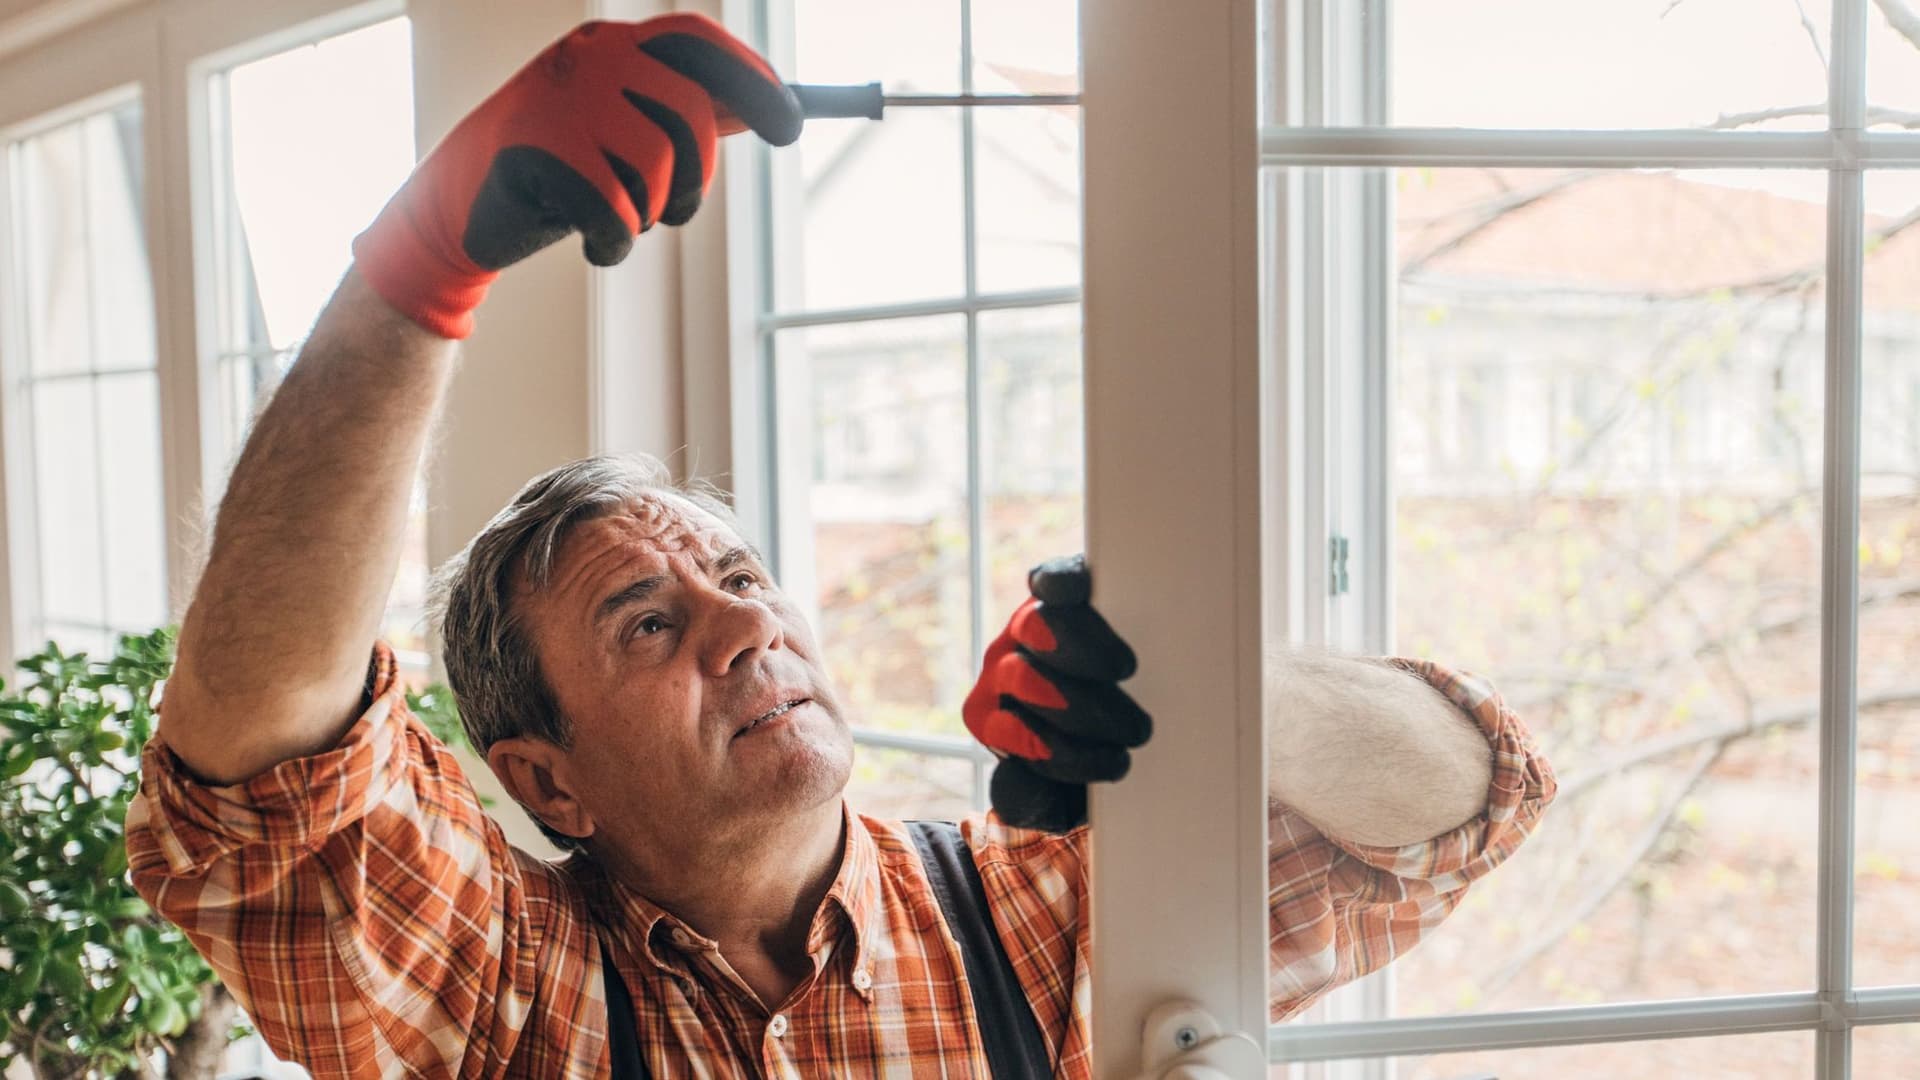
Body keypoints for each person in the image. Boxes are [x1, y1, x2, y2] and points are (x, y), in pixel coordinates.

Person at [124, 15, 1556, 1078]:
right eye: (645, 620)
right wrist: (420, 264)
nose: (745, 630)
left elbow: (1464, 808)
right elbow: (261, 773)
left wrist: (1191, 678)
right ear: (548, 779)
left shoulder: (1032, 921)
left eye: (739, 579)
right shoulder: (513, 989)